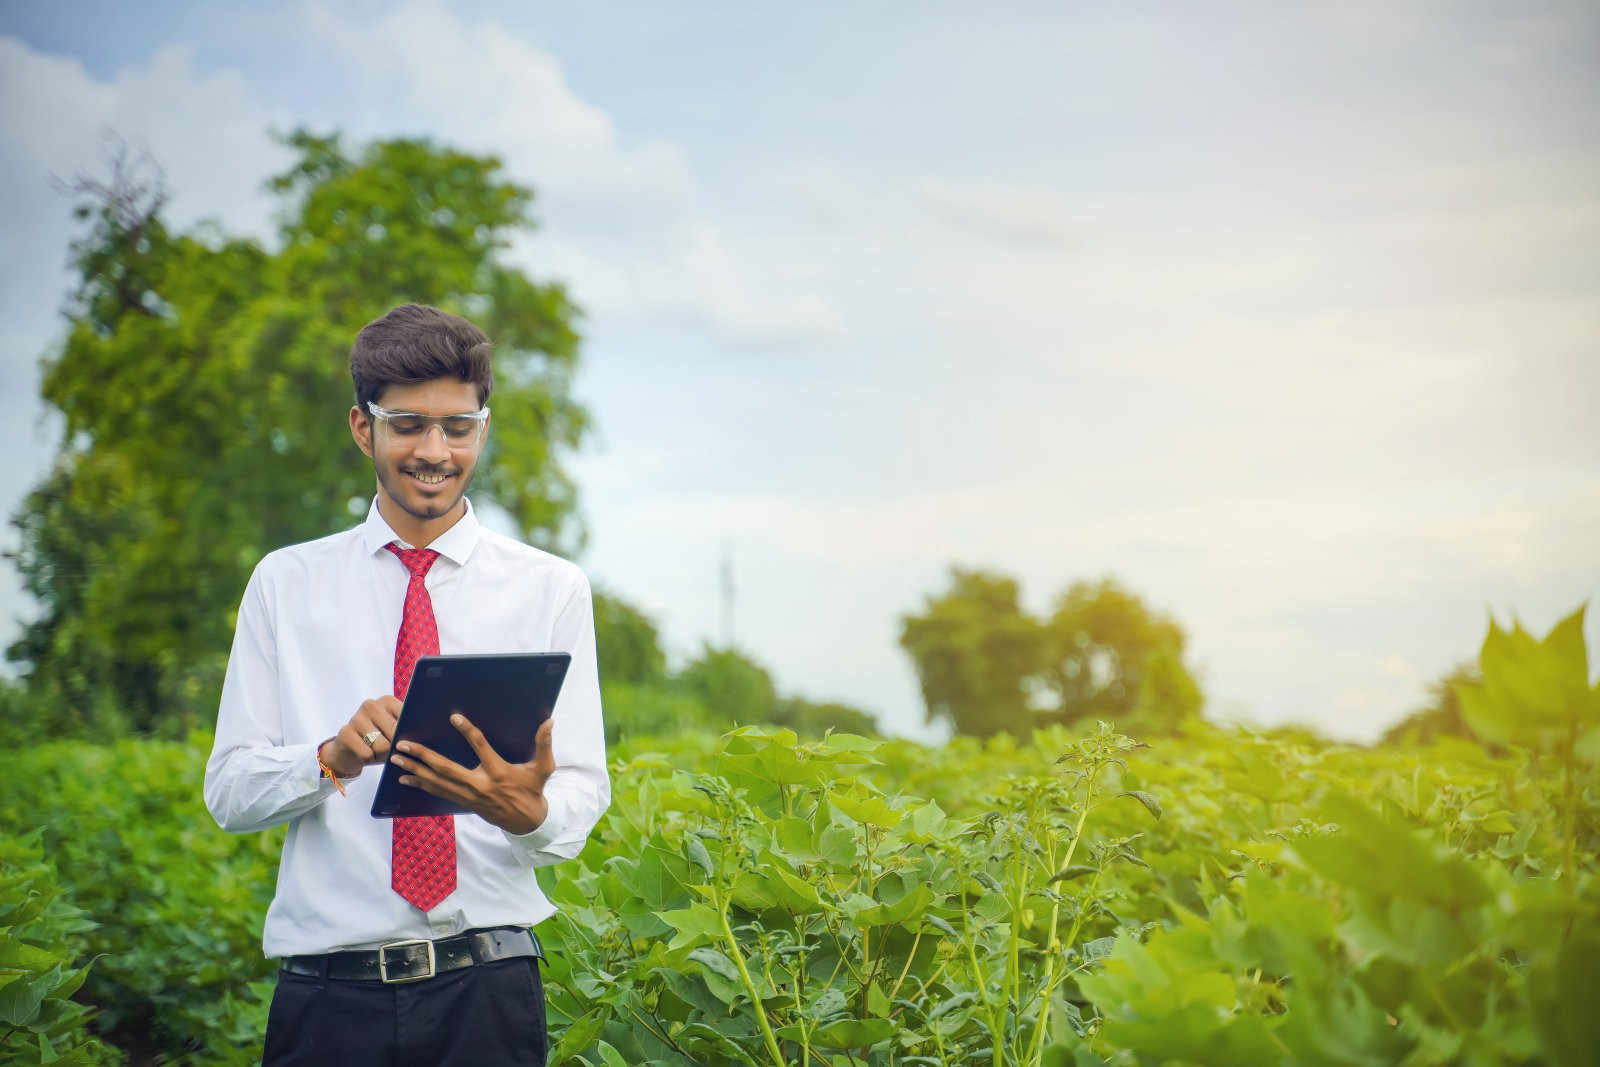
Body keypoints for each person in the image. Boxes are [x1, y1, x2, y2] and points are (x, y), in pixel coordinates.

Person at [204, 303, 609, 1066]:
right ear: (363, 427)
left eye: (457, 427)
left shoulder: (550, 588)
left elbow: (582, 790)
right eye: (407, 424)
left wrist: (530, 814)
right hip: (330, 997)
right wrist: (328, 758)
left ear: (482, 428)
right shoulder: (285, 585)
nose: (434, 450)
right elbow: (228, 790)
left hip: (488, 986)